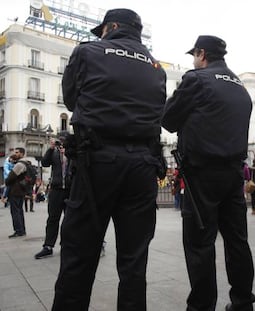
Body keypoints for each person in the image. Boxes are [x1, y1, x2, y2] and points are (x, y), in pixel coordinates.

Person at [52, 8, 166, 310]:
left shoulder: (88, 52)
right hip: (143, 166)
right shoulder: (157, 67)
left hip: (97, 163)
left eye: (102, 29)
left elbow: (72, 98)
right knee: (134, 261)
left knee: (79, 255)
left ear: (112, 26)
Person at [162, 35, 255, 311]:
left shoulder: (197, 79)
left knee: (200, 243)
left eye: (194, 55)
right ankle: (242, 303)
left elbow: (168, 120)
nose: (193, 60)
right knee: (237, 241)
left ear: (202, 54)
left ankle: (202, 307)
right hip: (233, 173)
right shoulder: (240, 86)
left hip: (202, 175)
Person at [34, 135, 71, 259]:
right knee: (52, 219)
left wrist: (69, 153)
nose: (61, 144)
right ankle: (48, 246)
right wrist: (50, 149)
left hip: (71, 190)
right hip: (56, 190)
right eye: (59, 141)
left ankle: (67, 245)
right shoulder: (54, 152)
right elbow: (44, 163)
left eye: (64, 141)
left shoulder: (73, 152)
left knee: (70, 220)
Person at [5, 148, 30, 238]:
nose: (15, 154)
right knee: (19, 211)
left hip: (15, 190)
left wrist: (7, 181)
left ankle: (18, 230)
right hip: (21, 190)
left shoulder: (19, 164)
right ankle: (22, 230)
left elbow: (10, 177)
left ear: (22, 154)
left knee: (15, 211)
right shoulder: (26, 163)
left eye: (17, 152)